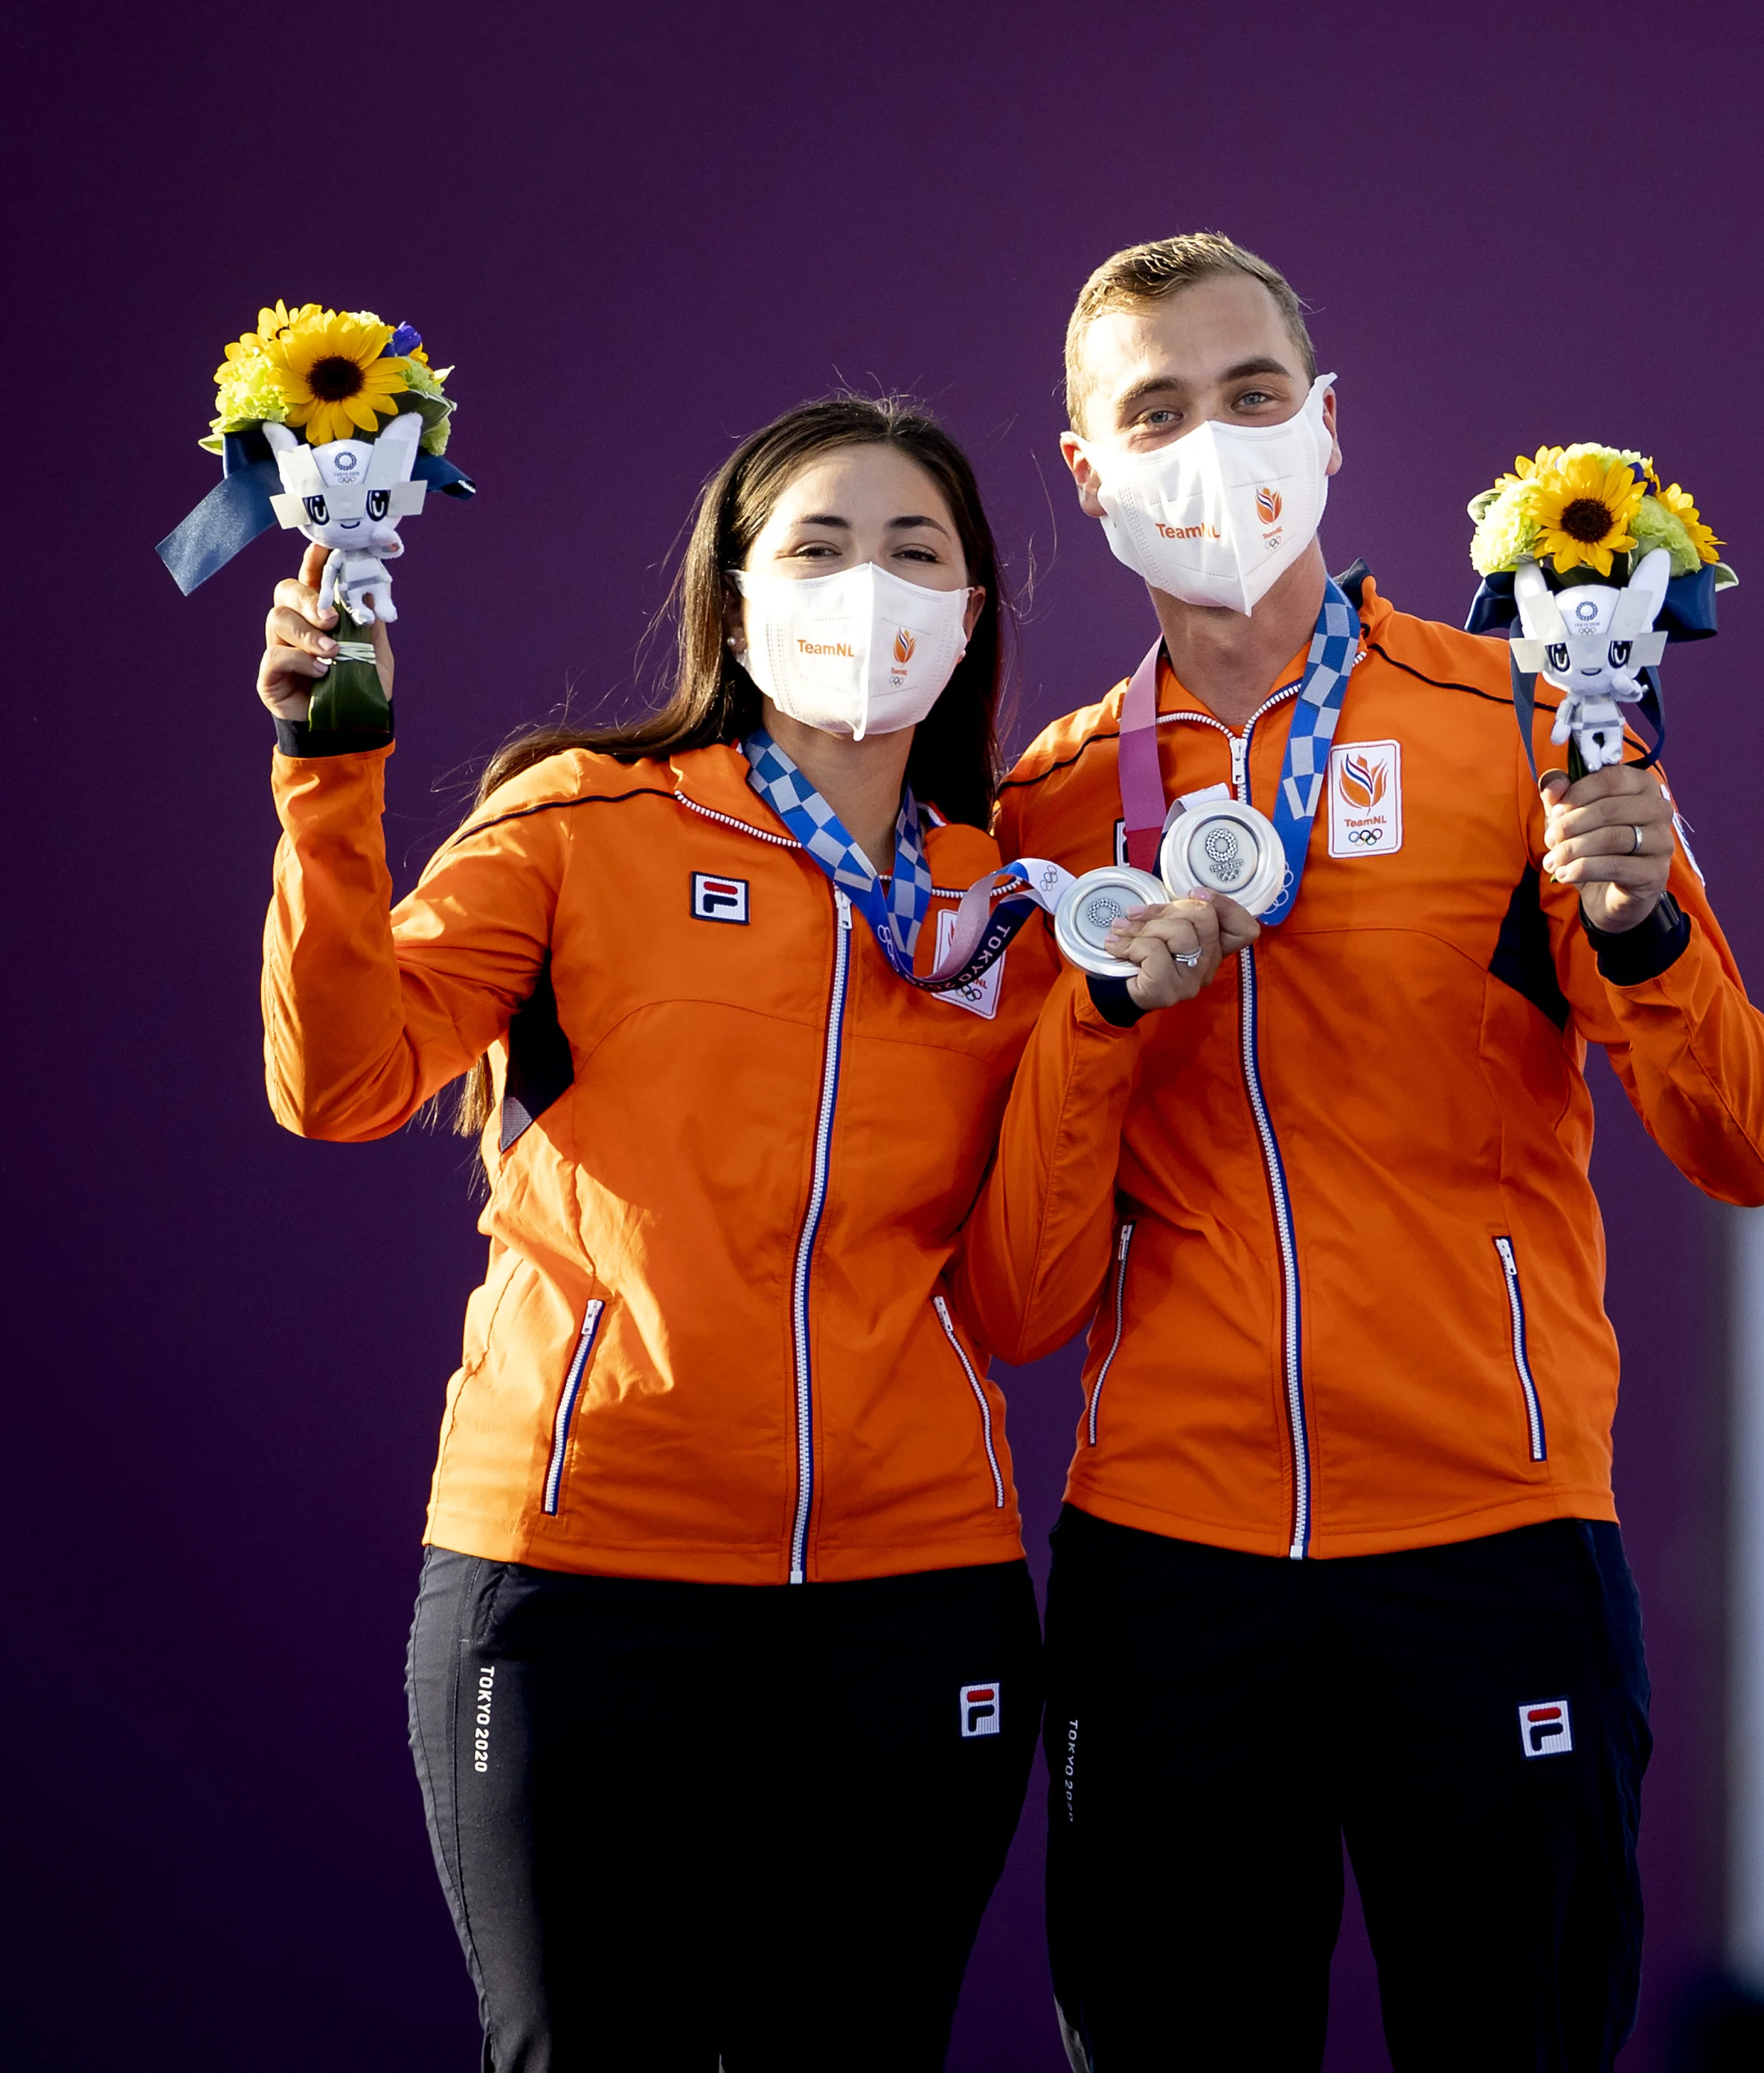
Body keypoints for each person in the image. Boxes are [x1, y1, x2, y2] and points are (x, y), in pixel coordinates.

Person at [254, 394, 1245, 2070]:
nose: (869, 585)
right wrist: (327, 776)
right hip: (579, 1580)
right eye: (819, 545)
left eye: (914, 552)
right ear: (734, 595)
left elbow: (1022, 1305)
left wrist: (1098, 1022)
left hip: (909, 1598)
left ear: (972, 614)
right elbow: (340, 1081)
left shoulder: (1010, 908)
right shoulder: (580, 821)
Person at [973, 234, 1764, 2070]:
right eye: (1157, 412)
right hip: (1171, 1562)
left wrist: (1648, 932)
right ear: (1088, 473)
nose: (1214, 443)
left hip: (1492, 1537)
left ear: (1330, 424)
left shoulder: (1524, 730)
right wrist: (1103, 1020)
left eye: (1253, 393)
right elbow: (1019, 1298)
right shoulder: (1048, 805)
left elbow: (1747, 1144)